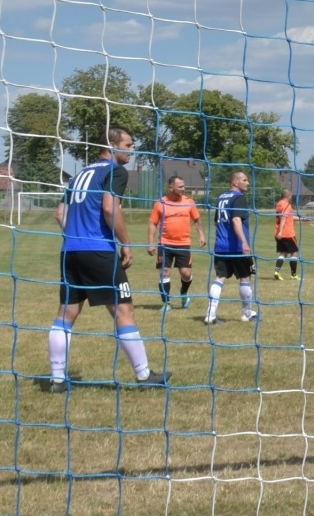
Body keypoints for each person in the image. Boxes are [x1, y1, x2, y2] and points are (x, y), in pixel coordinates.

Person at [47, 126, 165, 391]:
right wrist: (126, 244)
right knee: (124, 310)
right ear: (113, 146)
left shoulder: (79, 175)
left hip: (70, 251)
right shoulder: (115, 171)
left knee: (66, 313)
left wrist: (76, 236)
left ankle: (56, 379)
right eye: (129, 144)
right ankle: (145, 375)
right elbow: (110, 209)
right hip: (99, 250)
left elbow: (59, 214)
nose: (133, 149)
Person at [205, 171, 258, 325]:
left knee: (219, 278)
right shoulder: (239, 197)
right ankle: (247, 313)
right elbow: (236, 220)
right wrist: (244, 242)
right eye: (245, 180)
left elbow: (217, 222)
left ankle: (210, 314)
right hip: (236, 247)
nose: (248, 183)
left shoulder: (221, 197)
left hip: (221, 246)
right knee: (245, 277)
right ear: (235, 182)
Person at [147, 175, 205, 309]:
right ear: (170, 187)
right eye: (180, 187)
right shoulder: (160, 203)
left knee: (186, 274)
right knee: (164, 272)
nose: (183, 189)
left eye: (184, 186)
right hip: (164, 243)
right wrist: (150, 243)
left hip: (183, 244)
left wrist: (201, 235)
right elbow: (153, 224)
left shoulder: (189, 202)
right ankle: (166, 303)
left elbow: (197, 219)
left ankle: (184, 293)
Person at [272, 189, 304, 280]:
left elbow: (288, 216)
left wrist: (302, 219)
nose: (291, 197)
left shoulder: (279, 204)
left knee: (283, 253)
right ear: (288, 196)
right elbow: (284, 218)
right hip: (287, 233)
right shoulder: (287, 205)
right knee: (295, 252)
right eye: (291, 196)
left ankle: (276, 272)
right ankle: (293, 275)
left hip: (278, 233)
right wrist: (281, 232)